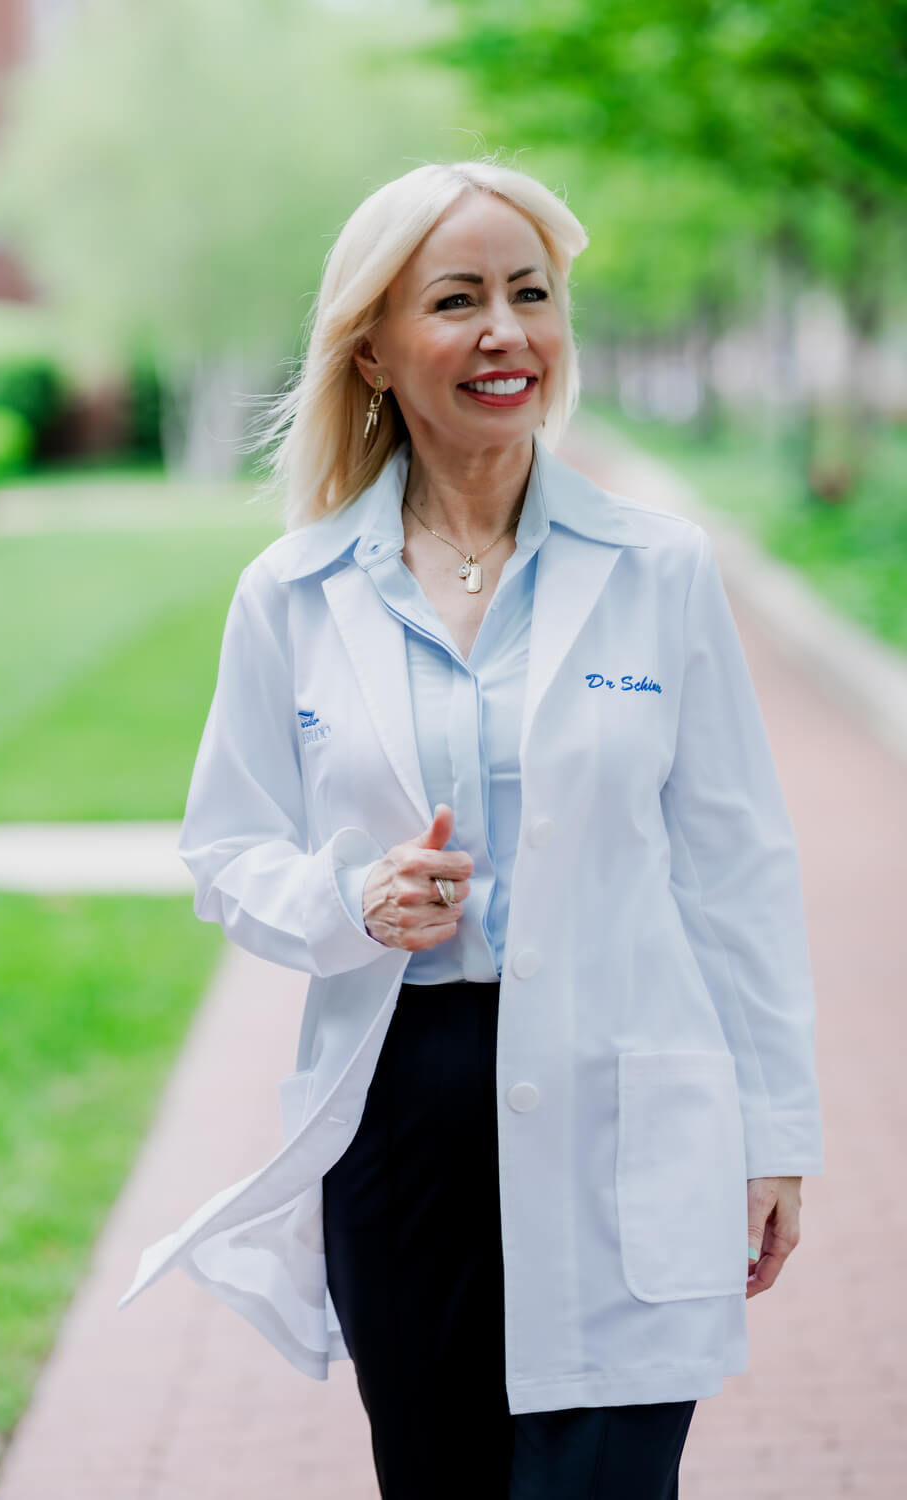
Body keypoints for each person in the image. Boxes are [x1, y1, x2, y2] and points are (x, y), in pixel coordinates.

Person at [119, 159, 824, 1499]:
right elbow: (226, 851)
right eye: (459, 300)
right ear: (376, 350)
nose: (508, 332)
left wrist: (776, 1131)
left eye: (532, 294)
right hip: (405, 1120)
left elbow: (739, 871)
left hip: (632, 1098)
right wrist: (353, 899)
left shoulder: (657, 571)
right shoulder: (293, 593)